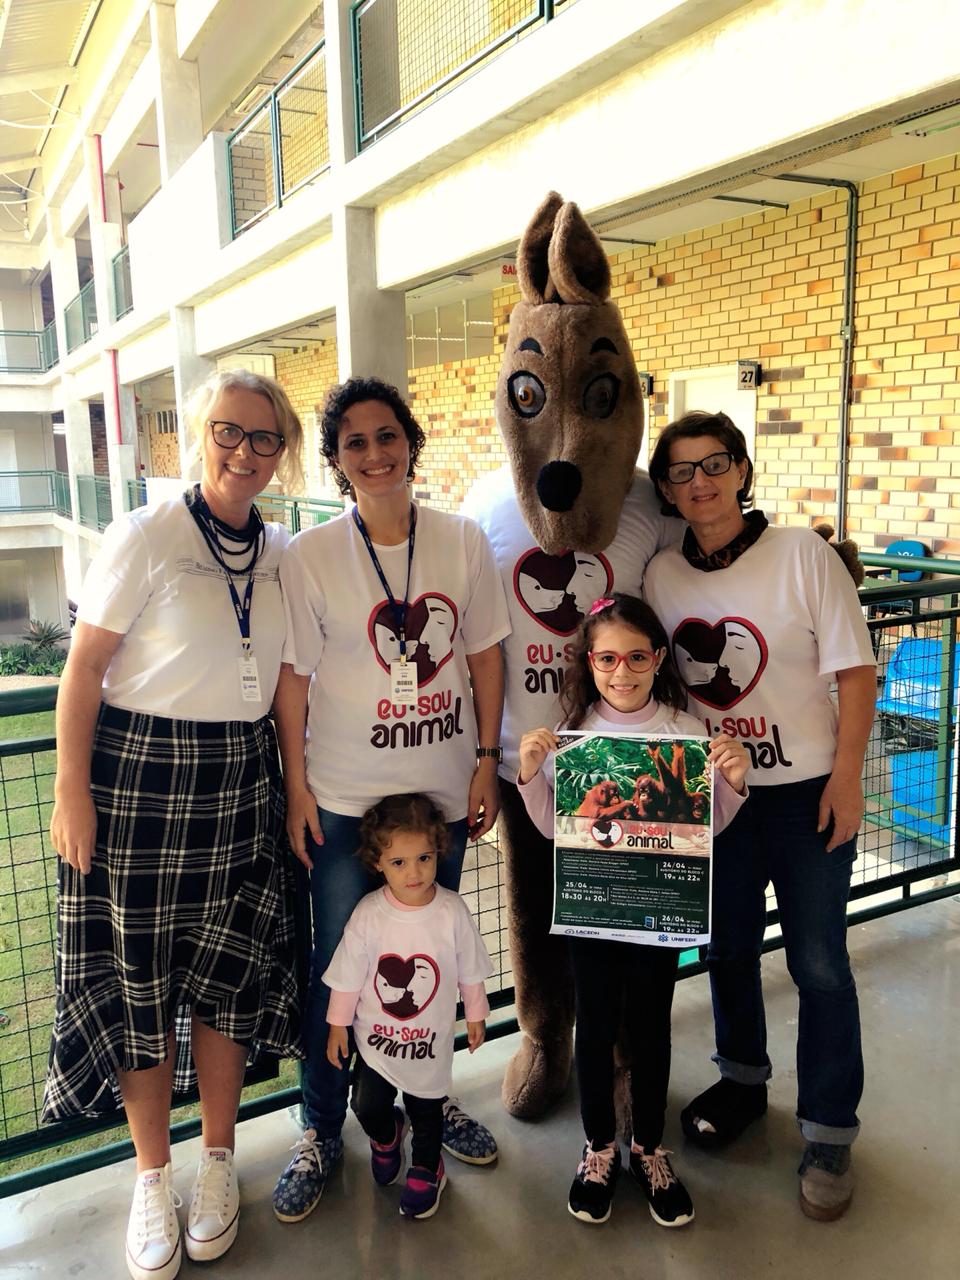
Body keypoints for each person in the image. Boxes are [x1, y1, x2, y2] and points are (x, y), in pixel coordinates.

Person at [44, 370, 306, 1280]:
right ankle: (153, 1175)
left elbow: (281, 685)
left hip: (241, 783)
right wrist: (70, 789)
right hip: (138, 787)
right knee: (140, 992)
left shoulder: (279, 552)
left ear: (284, 453)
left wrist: (295, 786)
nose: (244, 452)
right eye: (229, 432)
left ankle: (220, 1163)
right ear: (199, 436)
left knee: (230, 986)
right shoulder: (147, 533)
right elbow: (83, 674)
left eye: (264, 439)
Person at [271, 376, 511, 1224]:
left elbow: (485, 655)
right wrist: (298, 786)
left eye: (387, 436)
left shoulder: (461, 541)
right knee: (339, 968)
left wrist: (486, 760)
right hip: (343, 802)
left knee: (429, 962)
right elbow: (293, 680)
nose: (375, 454)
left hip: (438, 797)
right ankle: (319, 1128)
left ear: (411, 441)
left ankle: (430, 1104)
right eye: (354, 443)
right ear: (337, 463)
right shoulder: (310, 556)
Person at [645, 410, 876, 1222]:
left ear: (741, 470)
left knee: (819, 961)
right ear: (666, 490)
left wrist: (846, 780)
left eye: (714, 464)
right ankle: (743, 1078)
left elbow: (856, 674)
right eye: (679, 471)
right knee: (726, 946)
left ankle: (828, 1128)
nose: (699, 482)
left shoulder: (804, 557)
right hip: (717, 796)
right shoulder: (663, 575)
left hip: (806, 794)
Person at [518, 593, 749, 1227]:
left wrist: (732, 778)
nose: (622, 672)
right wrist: (535, 775)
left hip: (658, 914)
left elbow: (712, 828)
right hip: (594, 912)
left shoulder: (686, 732)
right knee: (593, 1027)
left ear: (658, 659)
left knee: (651, 1026)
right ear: (589, 662)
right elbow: (548, 829)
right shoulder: (574, 737)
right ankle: (598, 1147)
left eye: (637, 657)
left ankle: (647, 1146)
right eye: (608, 659)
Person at [324, 793, 493, 1220]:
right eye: (399, 863)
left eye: (424, 857)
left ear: (439, 850)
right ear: (377, 862)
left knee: (428, 1109)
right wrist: (338, 1025)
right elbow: (347, 975)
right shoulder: (368, 913)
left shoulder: (452, 911)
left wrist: (476, 1013)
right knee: (366, 1105)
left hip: (430, 1043)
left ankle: (426, 1168)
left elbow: (471, 968)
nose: (414, 872)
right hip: (376, 1044)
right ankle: (386, 1137)